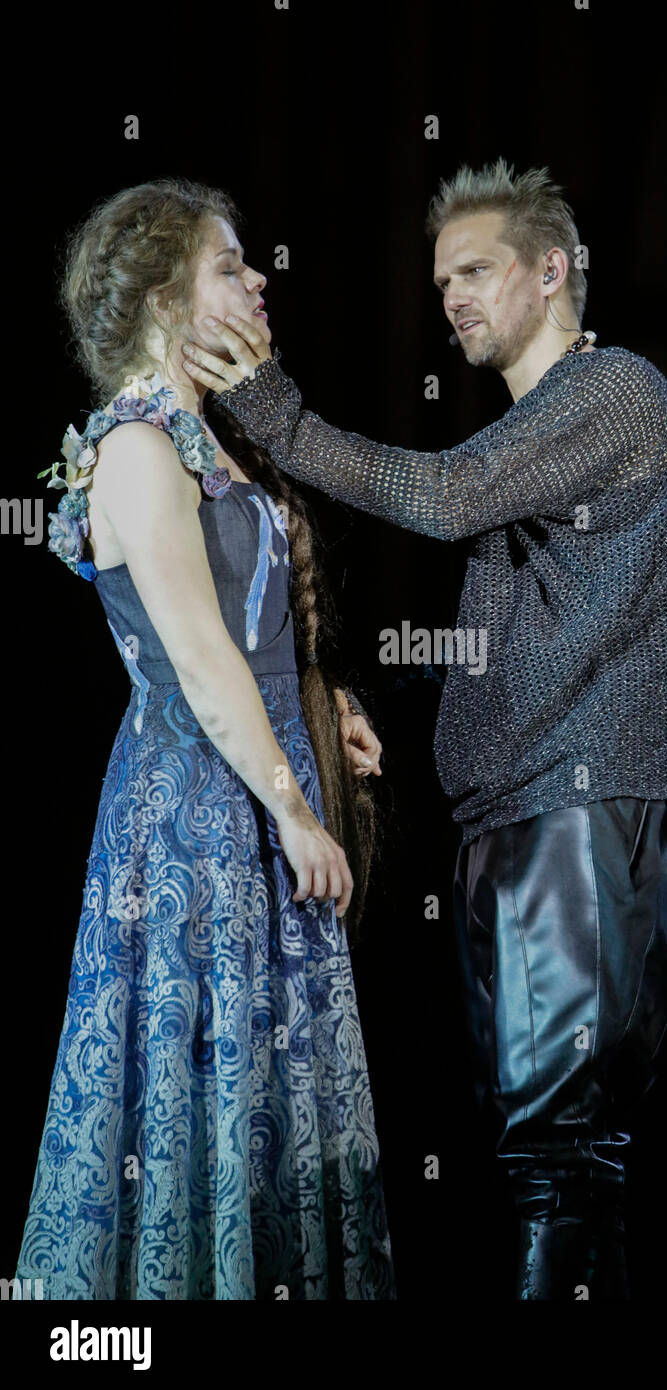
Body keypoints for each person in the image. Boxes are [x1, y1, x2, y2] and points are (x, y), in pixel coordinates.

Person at [182, 158, 667, 1301]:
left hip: (575, 811)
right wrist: (377, 708)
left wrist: (275, 409)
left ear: (550, 269)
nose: (452, 296)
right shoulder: (539, 443)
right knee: (549, 1165)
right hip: (531, 814)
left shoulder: (612, 390)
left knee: (557, 1163)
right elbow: (523, 643)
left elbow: (438, 496)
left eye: (475, 270)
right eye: (440, 281)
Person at [15, 178, 396, 1300]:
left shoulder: (208, 439)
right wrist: (289, 807)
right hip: (195, 821)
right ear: (165, 300)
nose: (256, 276)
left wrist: (326, 711)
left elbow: (260, 630)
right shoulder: (137, 449)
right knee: (201, 1099)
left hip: (259, 789)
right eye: (229, 264)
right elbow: (197, 657)